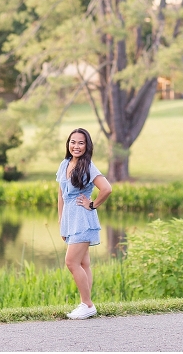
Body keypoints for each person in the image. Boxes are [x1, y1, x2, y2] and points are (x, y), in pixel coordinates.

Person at [56, 127, 112, 320]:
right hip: (70, 220)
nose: (76, 146)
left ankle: (87, 304)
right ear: (68, 144)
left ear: (87, 146)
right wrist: (61, 221)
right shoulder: (65, 164)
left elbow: (106, 188)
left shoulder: (88, 166)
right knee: (83, 262)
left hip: (83, 220)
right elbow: (61, 195)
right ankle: (85, 303)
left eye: (81, 143)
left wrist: (92, 204)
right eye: (73, 142)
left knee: (71, 262)